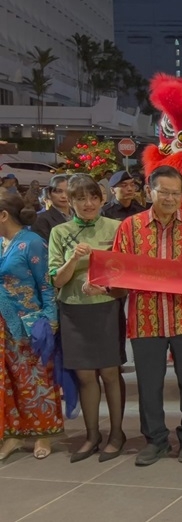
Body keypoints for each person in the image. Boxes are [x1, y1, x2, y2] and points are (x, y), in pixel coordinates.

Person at [110, 165, 182, 466]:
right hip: (146, 317)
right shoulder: (130, 227)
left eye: (175, 193)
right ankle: (156, 440)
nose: (169, 198)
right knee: (149, 384)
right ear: (149, 191)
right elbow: (117, 269)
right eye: (163, 192)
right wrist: (105, 282)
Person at [48, 174, 126, 463]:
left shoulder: (117, 228)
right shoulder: (60, 233)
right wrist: (73, 259)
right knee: (84, 376)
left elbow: (124, 271)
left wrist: (103, 283)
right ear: (71, 201)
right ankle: (92, 435)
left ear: (102, 199)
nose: (88, 203)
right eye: (81, 198)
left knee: (109, 373)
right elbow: (57, 280)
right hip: (73, 310)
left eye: (93, 197)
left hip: (106, 307)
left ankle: (117, 434)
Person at [0, 191, 62, 461]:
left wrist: (49, 321)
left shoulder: (32, 243)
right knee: (8, 382)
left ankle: (43, 434)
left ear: (3, 215)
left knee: (35, 380)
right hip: (2, 325)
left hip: (29, 323)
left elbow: (46, 285)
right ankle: (13, 434)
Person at [32, 174, 72, 242]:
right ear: (49, 194)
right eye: (59, 191)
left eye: (68, 191)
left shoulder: (80, 214)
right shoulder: (41, 219)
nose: (64, 196)